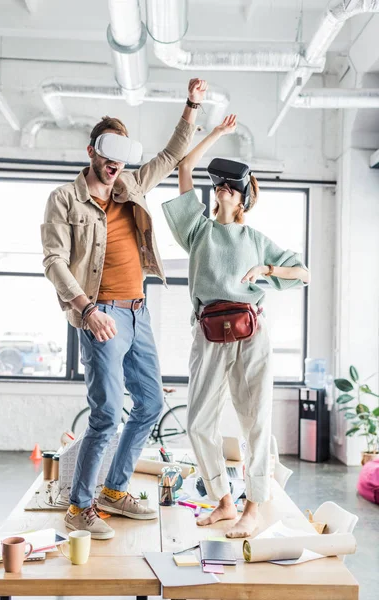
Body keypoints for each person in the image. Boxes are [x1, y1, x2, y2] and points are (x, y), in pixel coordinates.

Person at [41, 78, 208, 539]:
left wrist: (191, 105)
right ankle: (79, 507)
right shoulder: (65, 199)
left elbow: (171, 156)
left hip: (139, 312)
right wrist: (86, 309)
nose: (115, 167)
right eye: (108, 158)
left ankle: (114, 489)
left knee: (151, 403)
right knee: (106, 412)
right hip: (101, 315)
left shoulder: (131, 184)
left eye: (121, 160)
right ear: (90, 151)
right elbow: (54, 259)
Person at [162, 114, 310, 538]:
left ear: (242, 198)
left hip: (252, 333)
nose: (224, 189)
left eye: (232, 186)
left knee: (256, 422)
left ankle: (253, 506)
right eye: (220, 185)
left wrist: (266, 268)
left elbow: (304, 274)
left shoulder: (257, 240)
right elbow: (185, 168)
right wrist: (217, 134)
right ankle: (223, 501)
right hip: (209, 332)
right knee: (198, 423)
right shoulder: (197, 230)